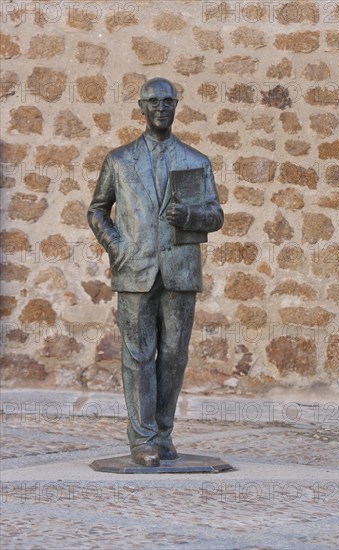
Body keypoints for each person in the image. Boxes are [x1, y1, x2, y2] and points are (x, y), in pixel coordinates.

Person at [88, 77, 224, 466]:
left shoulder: (196, 161)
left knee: (174, 356)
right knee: (137, 355)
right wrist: (117, 247)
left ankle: (163, 434)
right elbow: (97, 210)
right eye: (153, 101)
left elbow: (215, 214)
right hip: (135, 269)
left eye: (168, 101)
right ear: (141, 107)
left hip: (180, 271)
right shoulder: (119, 160)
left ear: (176, 106)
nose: (161, 108)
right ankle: (143, 439)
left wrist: (192, 214)